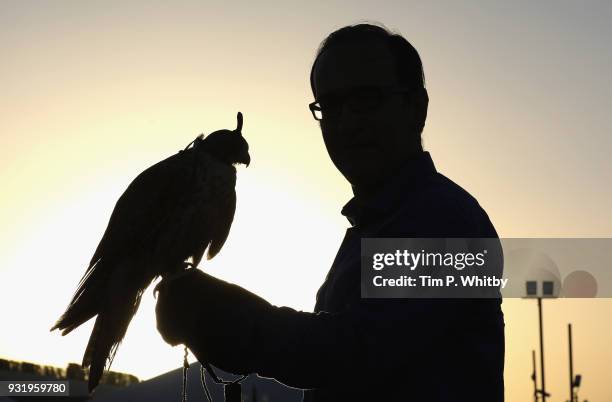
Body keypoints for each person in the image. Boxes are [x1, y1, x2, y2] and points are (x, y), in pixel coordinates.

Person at [155, 23, 505, 402]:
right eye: (331, 106)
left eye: (367, 99)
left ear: (416, 108)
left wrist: (216, 316)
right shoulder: (369, 230)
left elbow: (356, 353)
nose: (348, 121)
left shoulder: (450, 222)